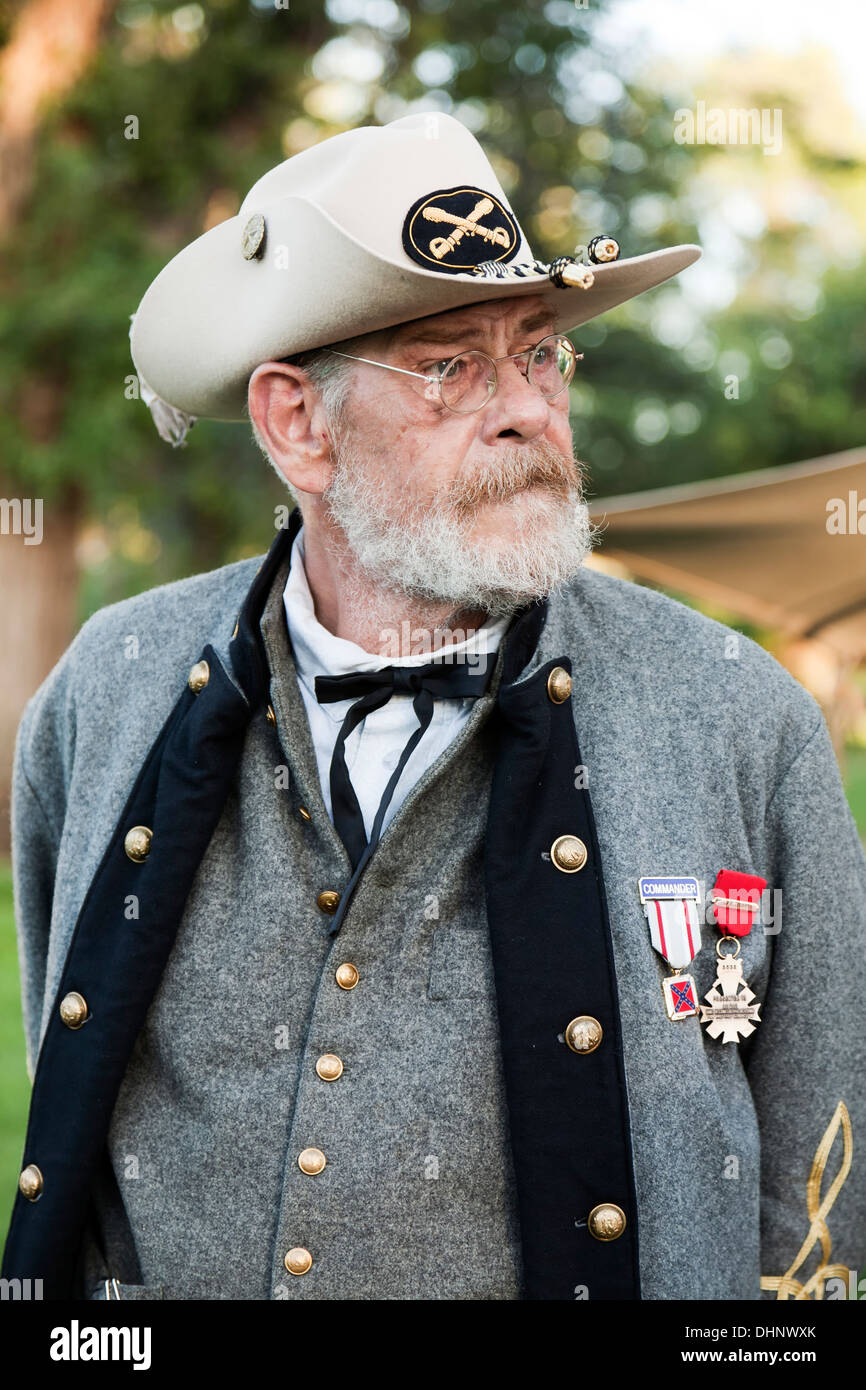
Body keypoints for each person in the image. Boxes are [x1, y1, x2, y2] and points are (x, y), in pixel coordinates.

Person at [4, 112, 864, 1302]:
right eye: (450, 365)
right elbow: (67, 1079)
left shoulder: (736, 714)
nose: (523, 409)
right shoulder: (112, 684)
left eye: (537, 354)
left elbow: (823, 1185)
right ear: (296, 424)